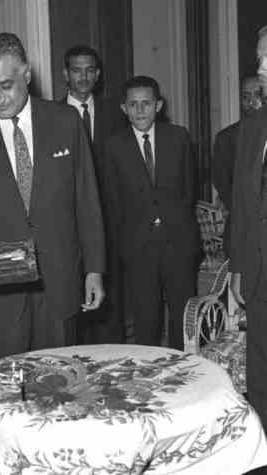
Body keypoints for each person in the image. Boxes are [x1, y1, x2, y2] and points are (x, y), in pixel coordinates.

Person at [0, 32, 106, 374]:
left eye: (6, 86)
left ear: (27, 74)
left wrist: (94, 269)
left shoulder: (65, 122)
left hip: (58, 284)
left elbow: (86, 200)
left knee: (59, 387)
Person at [102, 75, 200, 351]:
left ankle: (184, 366)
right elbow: (113, 200)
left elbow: (189, 189)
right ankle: (150, 369)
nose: (140, 110)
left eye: (146, 103)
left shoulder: (178, 137)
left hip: (178, 242)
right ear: (124, 108)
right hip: (138, 246)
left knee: (183, 315)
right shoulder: (114, 146)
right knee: (146, 318)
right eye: (133, 104)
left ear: (158, 105)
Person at [62, 45, 126, 344]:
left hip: (111, 223)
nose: (83, 77)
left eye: (89, 70)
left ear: (98, 75)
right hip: (69, 224)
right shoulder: (52, 116)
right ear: (66, 74)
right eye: (77, 70)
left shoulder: (116, 113)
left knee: (110, 305)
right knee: (73, 305)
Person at [231, 26, 267, 471]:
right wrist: (239, 267)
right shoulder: (253, 126)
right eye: (259, 58)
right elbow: (242, 203)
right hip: (258, 275)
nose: (261, 68)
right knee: (260, 374)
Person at [212, 75, 265, 256]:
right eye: (245, 96)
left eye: (258, 95)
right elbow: (223, 184)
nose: (251, 102)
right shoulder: (227, 138)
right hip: (243, 229)